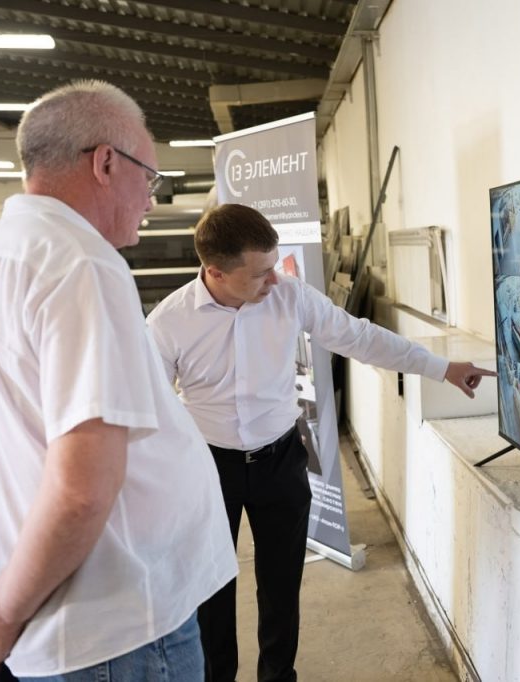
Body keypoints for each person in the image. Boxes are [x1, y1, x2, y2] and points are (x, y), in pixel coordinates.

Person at [0, 80, 238, 681]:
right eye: (149, 178)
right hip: (123, 632)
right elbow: (83, 489)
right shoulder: (81, 261)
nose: (150, 201)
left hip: (58, 632)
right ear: (106, 163)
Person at [146, 203, 495, 682]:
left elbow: (360, 338)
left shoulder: (290, 295)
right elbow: (149, 408)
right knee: (209, 592)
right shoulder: (169, 322)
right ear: (216, 272)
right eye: (260, 273)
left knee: (281, 587)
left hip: (279, 462)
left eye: (274, 266)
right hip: (207, 468)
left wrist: (442, 368)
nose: (275, 280)